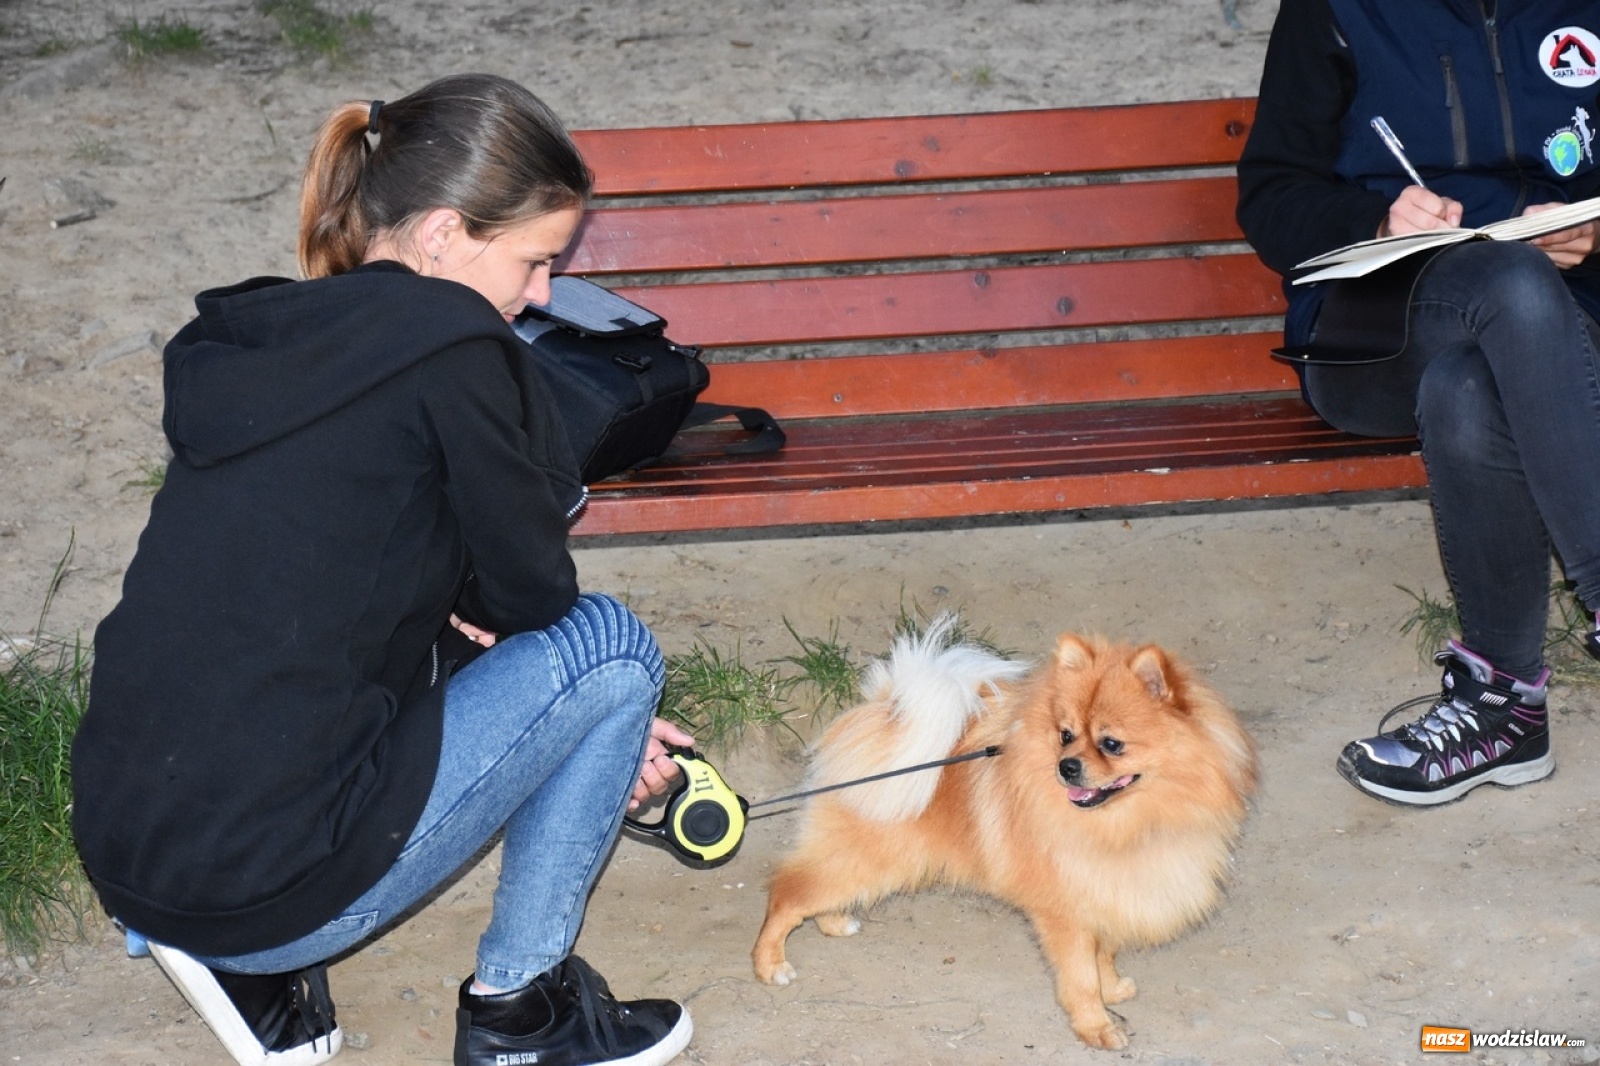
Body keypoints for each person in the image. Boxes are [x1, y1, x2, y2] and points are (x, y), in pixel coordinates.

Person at [70, 73, 697, 1066]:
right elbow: (536, 598)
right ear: (444, 234)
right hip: (261, 883)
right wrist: (582, 713)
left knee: (526, 670)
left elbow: (346, 601)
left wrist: (533, 694)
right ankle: (518, 1012)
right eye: (535, 262)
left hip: (135, 840)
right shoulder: (456, 349)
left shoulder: (265, 339)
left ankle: (240, 956)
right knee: (611, 649)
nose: (539, 295)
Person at [1237, 0, 1600, 807]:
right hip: (1378, 331)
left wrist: (1590, 234)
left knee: (1471, 384)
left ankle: (1502, 710)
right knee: (1511, 282)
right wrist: (1375, 216)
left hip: (1564, 335)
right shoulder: (1335, 10)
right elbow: (1271, 197)